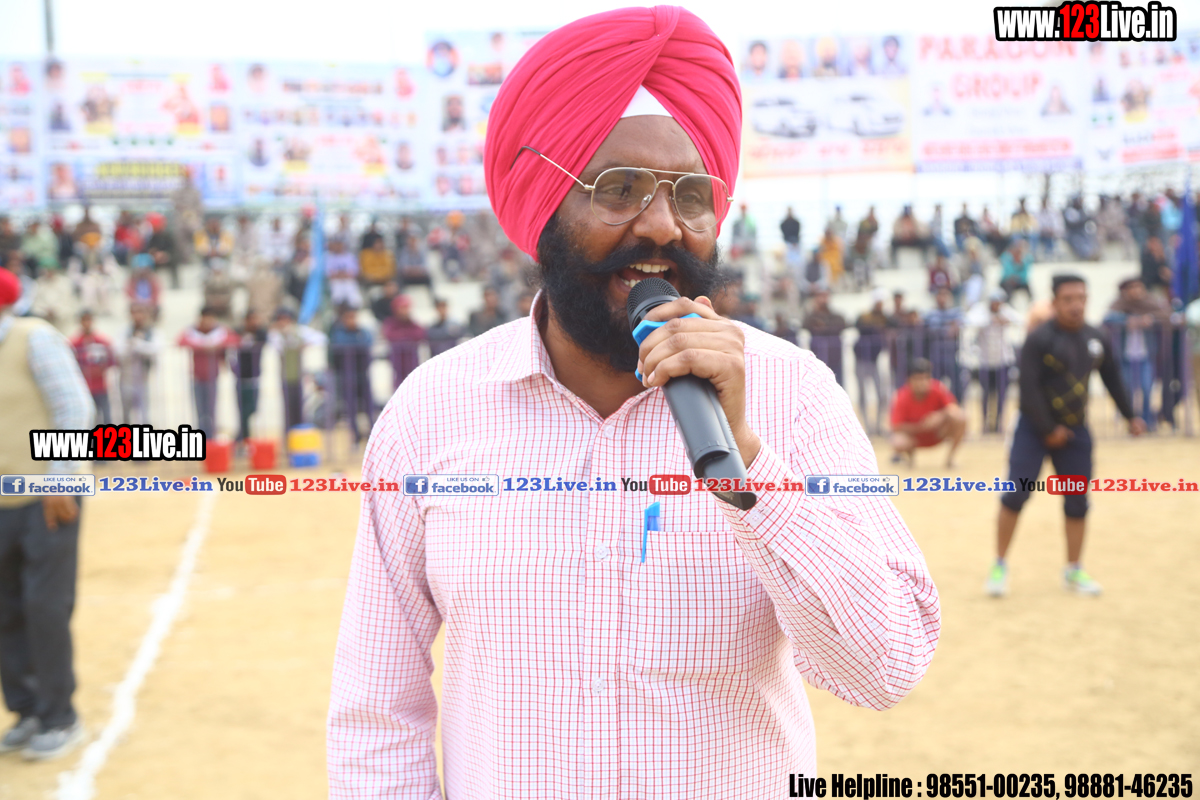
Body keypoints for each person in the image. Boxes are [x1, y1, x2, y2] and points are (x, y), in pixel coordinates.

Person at [327, 10, 939, 798]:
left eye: (691, 195)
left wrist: (751, 467)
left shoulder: (794, 394)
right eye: (618, 189)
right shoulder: (432, 412)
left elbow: (885, 667)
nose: (661, 226)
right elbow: (378, 716)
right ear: (546, 204)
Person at [987, 274, 1145, 599]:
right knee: (1015, 495)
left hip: (1075, 432)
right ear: (1055, 302)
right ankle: (999, 565)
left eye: (1081, 298)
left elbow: (1113, 378)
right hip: (1033, 430)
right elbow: (1028, 389)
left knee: (1077, 501)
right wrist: (1048, 429)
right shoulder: (1039, 339)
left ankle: (1073, 569)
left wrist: (1131, 416)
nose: (1076, 305)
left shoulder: (1096, 338)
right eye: (1068, 299)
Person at [0, 267, 93, 761]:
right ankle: (27, 709)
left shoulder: (33, 339)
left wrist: (61, 479)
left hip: (47, 496)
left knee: (45, 607)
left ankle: (60, 716)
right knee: (5, 608)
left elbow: (73, 409)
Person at [1103, 277, 1170, 432]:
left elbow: (1165, 315)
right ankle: (1132, 421)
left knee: (1146, 389)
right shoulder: (1119, 305)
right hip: (1125, 357)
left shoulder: (1151, 303)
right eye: (1132, 287)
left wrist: (1150, 319)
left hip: (1145, 356)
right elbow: (1107, 318)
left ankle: (1147, 422)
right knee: (1126, 391)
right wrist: (1127, 320)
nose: (1136, 290)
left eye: (1138, 286)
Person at [889, 358, 966, 467]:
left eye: (926, 378)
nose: (922, 383)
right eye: (918, 379)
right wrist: (921, 427)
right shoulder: (901, 396)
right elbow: (896, 426)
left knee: (960, 417)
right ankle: (910, 459)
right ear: (909, 380)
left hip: (937, 433)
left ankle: (950, 460)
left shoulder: (938, 388)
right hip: (915, 437)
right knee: (898, 441)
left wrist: (940, 416)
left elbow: (954, 409)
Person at [965, 289, 1022, 433]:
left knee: (1002, 394)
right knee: (985, 394)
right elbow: (969, 321)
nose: (997, 305)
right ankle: (985, 423)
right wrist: (990, 320)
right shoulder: (981, 311)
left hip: (1003, 361)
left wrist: (1005, 320)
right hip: (985, 361)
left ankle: (999, 423)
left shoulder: (1005, 311)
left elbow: (1020, 320)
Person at [268, 308, 326, 435]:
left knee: (300, 408)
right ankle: (289, 435)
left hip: (299, 378)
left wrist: (304, 343)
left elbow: (320, 338)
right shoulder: (276, 335)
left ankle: (299, 434)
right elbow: (276, 345)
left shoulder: (299, 331)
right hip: (286, 377)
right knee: (288, 409)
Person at [177, 307, 233, 438]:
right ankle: (201, 436)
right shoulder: (193, 331)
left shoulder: (219, 331)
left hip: (212, 377)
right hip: (197, 377)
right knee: (200, 410)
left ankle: (211, 436)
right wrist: (203, 347)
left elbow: (233, 339)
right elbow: (180, 340)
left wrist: (216, 346)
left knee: (211, 409)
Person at [327, 305, 374, 445]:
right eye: (349, 317)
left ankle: (372, 432)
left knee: (369, 405)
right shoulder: (338, 333)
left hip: (362, 374)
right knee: (351, 407)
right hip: (347, 376)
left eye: (354, 317)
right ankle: (355, 435)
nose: (352, 320)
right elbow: (341, 344)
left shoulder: (362, 331)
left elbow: (368, 341)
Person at [853, 288, 890, 435]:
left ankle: (878, 426)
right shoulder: (865, 316)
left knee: (882, 394)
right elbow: (860, 326)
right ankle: (867, 427)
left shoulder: (884, 318)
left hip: (874, 361)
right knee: (863, 396)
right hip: (861, 361)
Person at [69, 310, 116, 425]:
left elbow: (111, 361)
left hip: (100, 387)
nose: (86, 323)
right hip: (84, 388)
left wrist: (100, 369)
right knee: (89, 419)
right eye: (84, 320)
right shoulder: (74, 343)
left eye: (88, 319)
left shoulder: (102, 341)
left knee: (106, 418)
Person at [116, 303, 159, 425]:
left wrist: (138, 344)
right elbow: (118, 351)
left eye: (141, 312)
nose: (138, 316)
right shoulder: (124, 331)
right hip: (126, 377)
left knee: (143, 414)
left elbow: (155, 349)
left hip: (143, 378)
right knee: (125, 412)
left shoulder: (151, 331)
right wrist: (131, 344)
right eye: (135, 312)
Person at [231, 310, 268, 444]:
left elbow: (264, 338)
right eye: (251, 319)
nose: (254, 322)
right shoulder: (238, 332)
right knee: (242, 410)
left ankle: (242, 435)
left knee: (252, 408)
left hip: (254, 378)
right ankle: (243, 437)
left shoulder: (260, 333)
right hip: (241, 377)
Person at [924, 287, 965, 400]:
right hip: (935, 356)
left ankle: (955, 407)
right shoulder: (930, 314)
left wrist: (953, 326)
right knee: (934, 386)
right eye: (940, 295)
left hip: (952, 355)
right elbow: (929, 328)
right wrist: (948, 325)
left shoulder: (956, 312)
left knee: (957, 386)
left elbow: (960, 324)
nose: (942, 298)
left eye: (945, 295)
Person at [801, 288, 847, 385]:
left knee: (837, 382)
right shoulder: (812, 316)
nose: (823, 299)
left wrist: (824, 328)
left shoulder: (835, 315)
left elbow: (842, 325)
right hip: (818, 356)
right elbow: (805, 325)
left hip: (834, 355)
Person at [382, 294, 426, 389]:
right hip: (398, 360)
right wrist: (407, 336)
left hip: (412, 360)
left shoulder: (412, 322)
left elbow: (420, 334)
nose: (405, 311)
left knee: (413, 385)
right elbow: (390, 335)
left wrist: (403, 336)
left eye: (406, 307)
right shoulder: (390, 322)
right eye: (402, 308)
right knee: (399, 386)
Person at [30, 262, 78, 334]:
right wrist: (45, 312)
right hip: (44, 324)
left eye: (51, 270)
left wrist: (56, 312)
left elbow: (70, 305)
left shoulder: (65, 283)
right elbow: (34, 306)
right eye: (46, 270)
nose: (49, 272)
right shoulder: (38, 283)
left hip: (62, 325)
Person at [325, 237, 363, 310]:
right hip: (335, 281)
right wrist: (340, 275)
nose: (338, 246)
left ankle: (354, 311)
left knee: (354, 298)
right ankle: (338, 311)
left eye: (340, 244)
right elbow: (328, 273)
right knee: (337, 296)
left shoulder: (350, 256)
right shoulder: (329, 257)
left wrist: (344, 274)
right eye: (337, 244)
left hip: (349, 280)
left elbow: (355, 272)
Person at [143, 213, 179, 290]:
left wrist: (165, 255)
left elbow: (173, 249)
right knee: (148, 264)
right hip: (155, 260)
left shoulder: (168, 235)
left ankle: (175, 284)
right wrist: (154, 254)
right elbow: (148, 249)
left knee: (174, 263)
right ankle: (151, 285)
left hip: (168, 258)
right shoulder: (152, 237)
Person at [999, 237, 1034, 303]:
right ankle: (1007, 303)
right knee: (1007, 287)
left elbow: (1024, 276)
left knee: (1028, 287)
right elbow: (1006, 274)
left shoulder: (1025, 261)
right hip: (1007, 282)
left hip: (1020, 282)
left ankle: (1031, 302)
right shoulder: (1007, 259)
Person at [780, 206, 801, 276]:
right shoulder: (784, 223)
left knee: (797, 263)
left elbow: (797, 233)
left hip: (796, 244)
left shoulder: (796, 223)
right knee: (788, 263)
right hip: (787, 244)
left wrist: (795, 242)